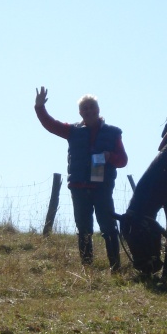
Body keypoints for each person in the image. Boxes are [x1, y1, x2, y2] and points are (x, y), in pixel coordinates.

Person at [34, 87, 128, 272]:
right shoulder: (72, 131)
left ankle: (115, 268)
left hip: (102, 188)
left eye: (92, 107)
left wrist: (110, 156)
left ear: (98, 109)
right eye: (85, 108)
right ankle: (88, 269)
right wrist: (39, 107)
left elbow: (123, 160)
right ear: (80, 112)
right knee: (84, 229)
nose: (89, 110)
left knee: (108, 227)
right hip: (78, 187)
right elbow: (50, 124)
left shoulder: (113, 132)